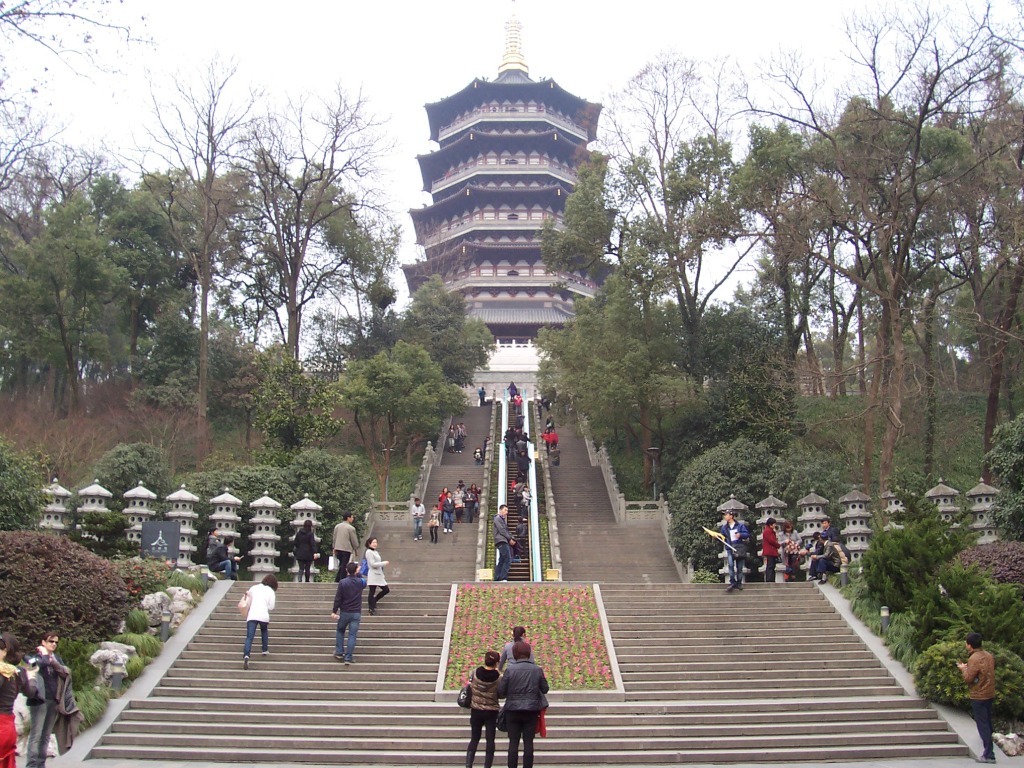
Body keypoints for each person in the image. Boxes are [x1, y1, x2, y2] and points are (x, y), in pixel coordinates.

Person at [498, 641, 549, 768]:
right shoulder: (537, 670)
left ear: (514, 654)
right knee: (528, 743)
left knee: (513, 743)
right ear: (528, 653)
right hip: (531, 711)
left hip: (512, 711)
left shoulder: (510, 670)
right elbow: (545, 689)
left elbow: (501, 691)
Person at [25, 630, 68, 768]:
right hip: (40, 700)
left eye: (56, 642)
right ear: (43, 642)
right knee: (36, 734)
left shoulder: (57, 658)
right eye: (51, 641)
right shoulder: (33, 657)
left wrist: (54, 661)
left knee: (46, 735)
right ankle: (31, 765)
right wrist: (44, 655)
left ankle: (41, 764)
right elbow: (38, 665)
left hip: (53, 700)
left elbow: (64, 672)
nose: (54, 644)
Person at [1, 633, 38, 768]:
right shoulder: (20, 672)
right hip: (8, 725)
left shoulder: (4, 672)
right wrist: (32, 676)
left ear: (5, 650)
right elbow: (31, 692)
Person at [958, 631, 996, 764]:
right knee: (988, 723)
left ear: (970, 645)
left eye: (966, 644)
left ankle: (988, 754)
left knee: (983, 725)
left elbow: (969, 678)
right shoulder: (988, 656)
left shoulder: (974, 658)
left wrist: (963, 669)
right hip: (990, 693)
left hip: (978, 695)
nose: (966, 646)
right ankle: (989, 751)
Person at [465, 650, 501, 768]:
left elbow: (469, 686)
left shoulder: (475, 672)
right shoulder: (499, 677)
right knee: (490, 740)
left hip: (476, 710)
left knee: (474, 738)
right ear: (497, 662)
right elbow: (501, 694)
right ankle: (487, 766)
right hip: (491, 711)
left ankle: (469, 764)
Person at [331, 561, 367, 664]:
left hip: (345, 611)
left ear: (346, 570)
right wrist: (358, 572)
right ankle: (348, 657)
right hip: (356, 612)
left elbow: (338, 598)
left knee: (340, 630)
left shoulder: (343, 582)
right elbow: (365, 582)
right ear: (356, 570)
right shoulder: (361, 582)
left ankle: (339, 651)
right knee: (352, 635)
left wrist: (334, 610)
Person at [242, 574, 278, 670]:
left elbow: (248, 601)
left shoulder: (254, 588)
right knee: (264, 630)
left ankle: (246, 655)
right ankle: (264, 649)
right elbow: (271, 607)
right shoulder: (270, 591)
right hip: (263, 615)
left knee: (249, 636)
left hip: (252, 614)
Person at [720, 509, 750, 592]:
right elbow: (722, 536)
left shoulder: (740, 526)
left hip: (739, 548)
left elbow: (747, 534)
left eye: (726, 515)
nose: (725, 516)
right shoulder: (724, 527)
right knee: (730, 565)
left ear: (731, 516)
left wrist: (740, 535)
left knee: (739, 567)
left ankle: (739, 582)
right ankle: (732, 581)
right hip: (730, 548)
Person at [365, 537, 390, 615]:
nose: (375, 544)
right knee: (372, 591)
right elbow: (372, 564)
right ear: (369, 543)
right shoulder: (369, 552)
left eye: (376, 542)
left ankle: (374, 601)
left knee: (386, 589)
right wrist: (383, 563)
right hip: (373, 574)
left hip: (379, 574)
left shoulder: (375, 552)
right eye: (373, 542)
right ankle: (371, 608)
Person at [332, 512, 359, 583]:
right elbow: (353, 540)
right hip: (346, 548)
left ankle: (338, 579)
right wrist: (356, 548)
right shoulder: (351, 528)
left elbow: (334, 538)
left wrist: (334, 547)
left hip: (338, 548)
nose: (352, 519)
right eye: (352, 517)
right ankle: (341, 579)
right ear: (348, 518)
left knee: (341, 564)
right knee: (344, 565)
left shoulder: (337, 526)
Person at [493, 505, 512, 582]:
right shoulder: (498, 518)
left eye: (507, 510)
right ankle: (502, 577)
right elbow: (502, 530)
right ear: (500, 510)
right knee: (507, 559)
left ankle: (497, 577)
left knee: (502, 559)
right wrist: (509, 538)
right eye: (505, 510)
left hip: (502, 540)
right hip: (501, 540)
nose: (506, 512)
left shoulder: (502, 519)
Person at [761, 517, 780, 583]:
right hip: (770, 551)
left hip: (771, 551)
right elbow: (771, 540)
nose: (775, 525)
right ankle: (769, 579)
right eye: (774, 524)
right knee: (770, 565)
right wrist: (778, 545)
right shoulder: (767, 531)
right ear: (770, 524)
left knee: (772, 565)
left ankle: (771, 578)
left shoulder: (770, 531)